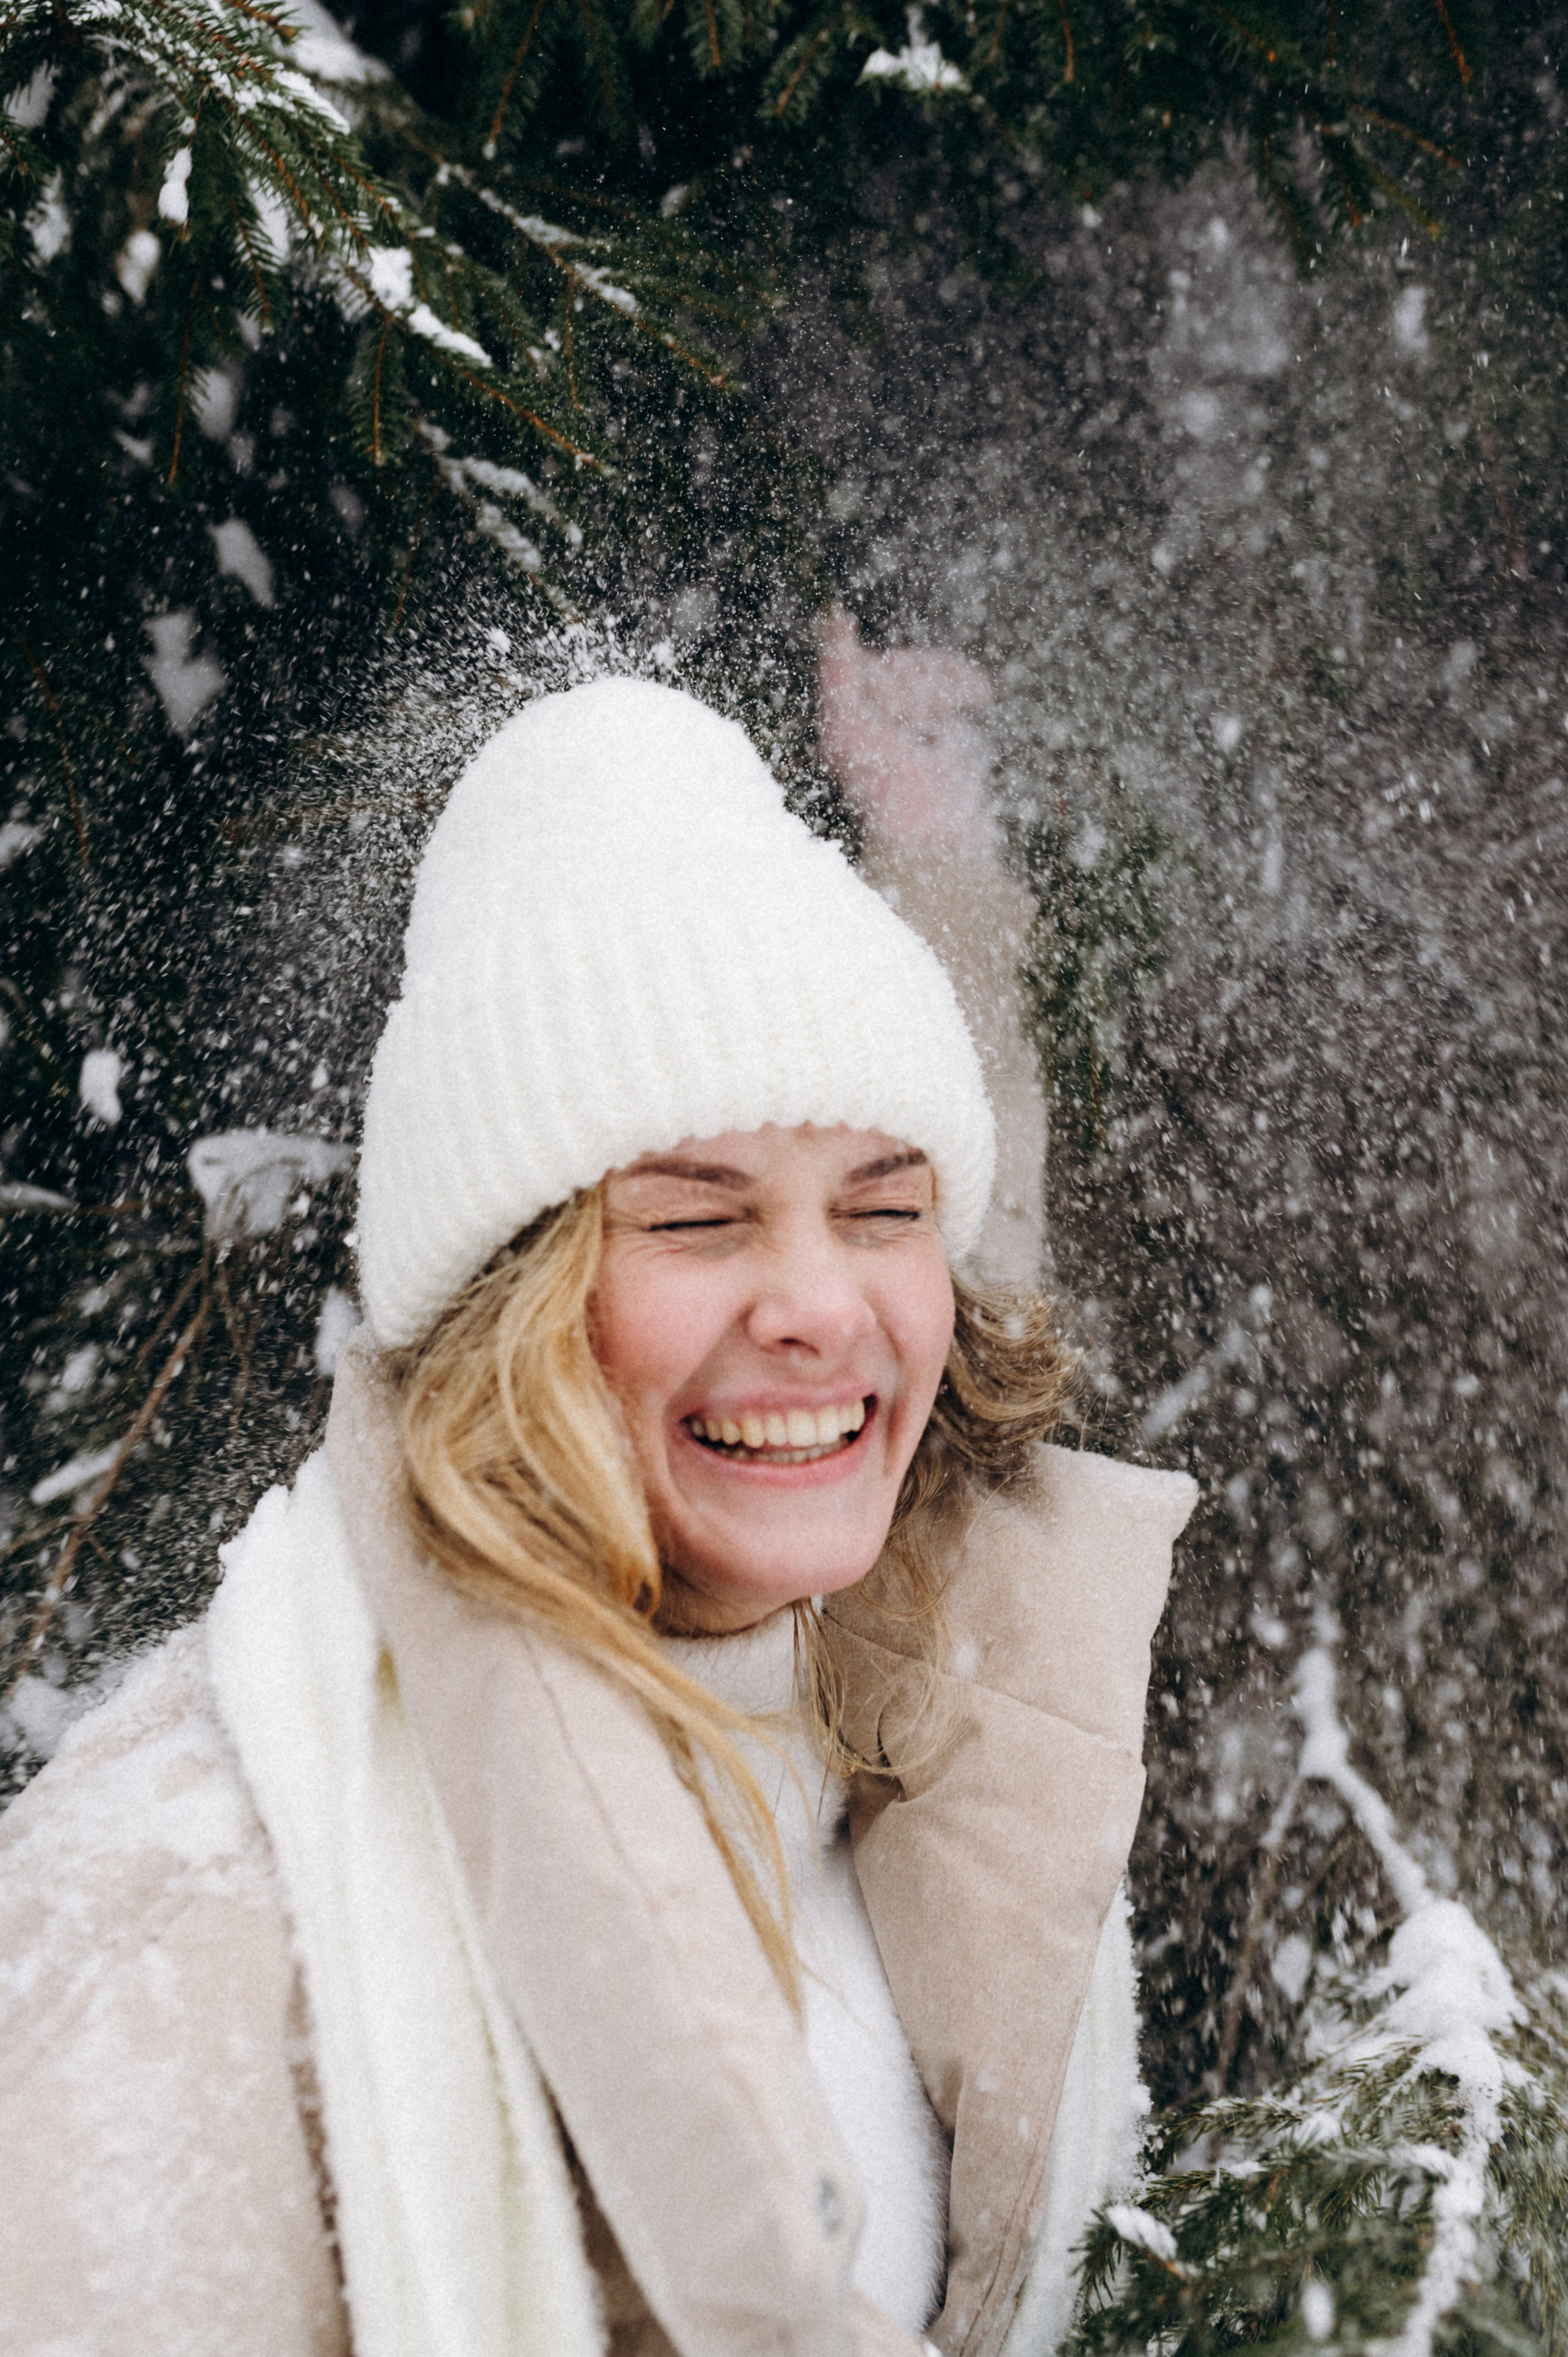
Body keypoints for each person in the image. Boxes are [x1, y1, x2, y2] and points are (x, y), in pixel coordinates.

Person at [0, 636, 1196, 2357]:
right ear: (507, 1301)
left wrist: (945, 860)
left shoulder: (890, 1718)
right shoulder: (190, 1909)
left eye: (879, 1211)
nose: (820, 1306)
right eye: (698, 1220)